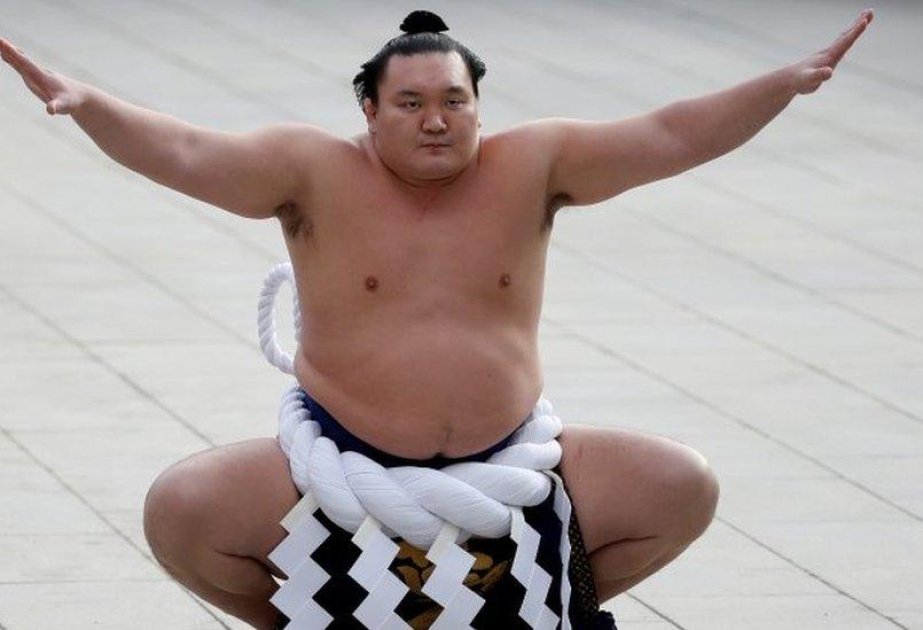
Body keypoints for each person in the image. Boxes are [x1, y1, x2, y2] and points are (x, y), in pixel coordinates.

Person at [1, 7, 872, 629]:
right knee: (182, 510)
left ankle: (524, 612)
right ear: (369, 110)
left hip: (512, 469)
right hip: (342, 469)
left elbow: (670, 133)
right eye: (410, 103)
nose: (434, 121)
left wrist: (781, 84)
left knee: (681, 485)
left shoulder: (534, 164)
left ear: (478, 107)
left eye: (453, 101)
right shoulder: (309, 170)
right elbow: (188, 150)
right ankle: (318, 622)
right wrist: (90, 104)